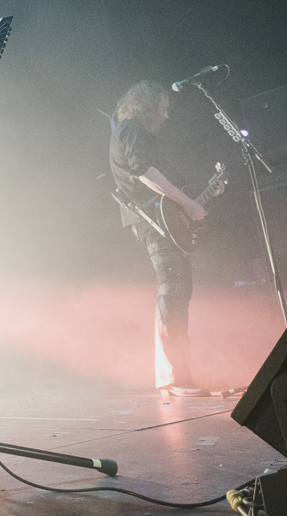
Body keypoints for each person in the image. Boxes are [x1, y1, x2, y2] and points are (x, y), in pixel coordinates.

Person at [109, 80, 219, 397]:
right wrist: (187, 202)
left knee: (180, 290)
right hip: (152, 220)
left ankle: (176, 374)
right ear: (149, 105)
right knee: (172, 289)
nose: (167, 115)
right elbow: (143, 171)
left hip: (164, 219)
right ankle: (173, 377)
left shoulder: (138, 133)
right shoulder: (130, 128)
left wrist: (199, 197)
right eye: (163, 108)